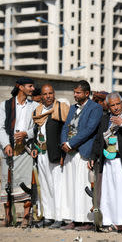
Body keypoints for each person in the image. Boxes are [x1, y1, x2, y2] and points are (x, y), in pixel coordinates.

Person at [91, 92, 122, 232]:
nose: (116, 107)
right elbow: (99, 140)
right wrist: (93, 156)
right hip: (109, 161)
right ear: (108, 106)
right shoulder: (105, 119)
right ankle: (114, 221)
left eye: (118, 104)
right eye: (112, 105)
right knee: (111, 193)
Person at [58, 80, 103, 231]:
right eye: (74, 92)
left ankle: (86, 220)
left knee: (83, 186)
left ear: (86, 93)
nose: (75, 95)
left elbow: (90, 129)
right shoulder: (72, 108)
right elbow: (65, 126)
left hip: (83, 151)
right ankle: (73, 219)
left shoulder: (95, 108)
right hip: (70, 152)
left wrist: (71, 143)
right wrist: (64, 142)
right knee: (70, 186)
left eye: (78, 93)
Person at [0, 77, 39, 227]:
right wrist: (5, 145)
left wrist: (26, 134)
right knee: (7, 183)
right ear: (20, 87)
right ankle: (7, 217)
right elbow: (1, 128)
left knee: (26, 183)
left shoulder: (35, 106)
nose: (32, 89)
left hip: (26, 150)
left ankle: (26, 216)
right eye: (30, 86)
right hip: (8, 149)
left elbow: (37, 127)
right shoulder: (5, 105)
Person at [31, 84, 69, 228]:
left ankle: (59, 217)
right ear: (41, 96)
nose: (48, 96)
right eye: (45, 94)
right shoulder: (38, 111)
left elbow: (67, 131)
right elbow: (36, 132)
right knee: (45, 185)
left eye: (50, 93)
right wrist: (34, 146)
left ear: (54, 94)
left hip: (55, 154)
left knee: (57, 186)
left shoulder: (61, 108)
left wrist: (63, 153)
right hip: (41, 153)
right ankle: (48, 216)